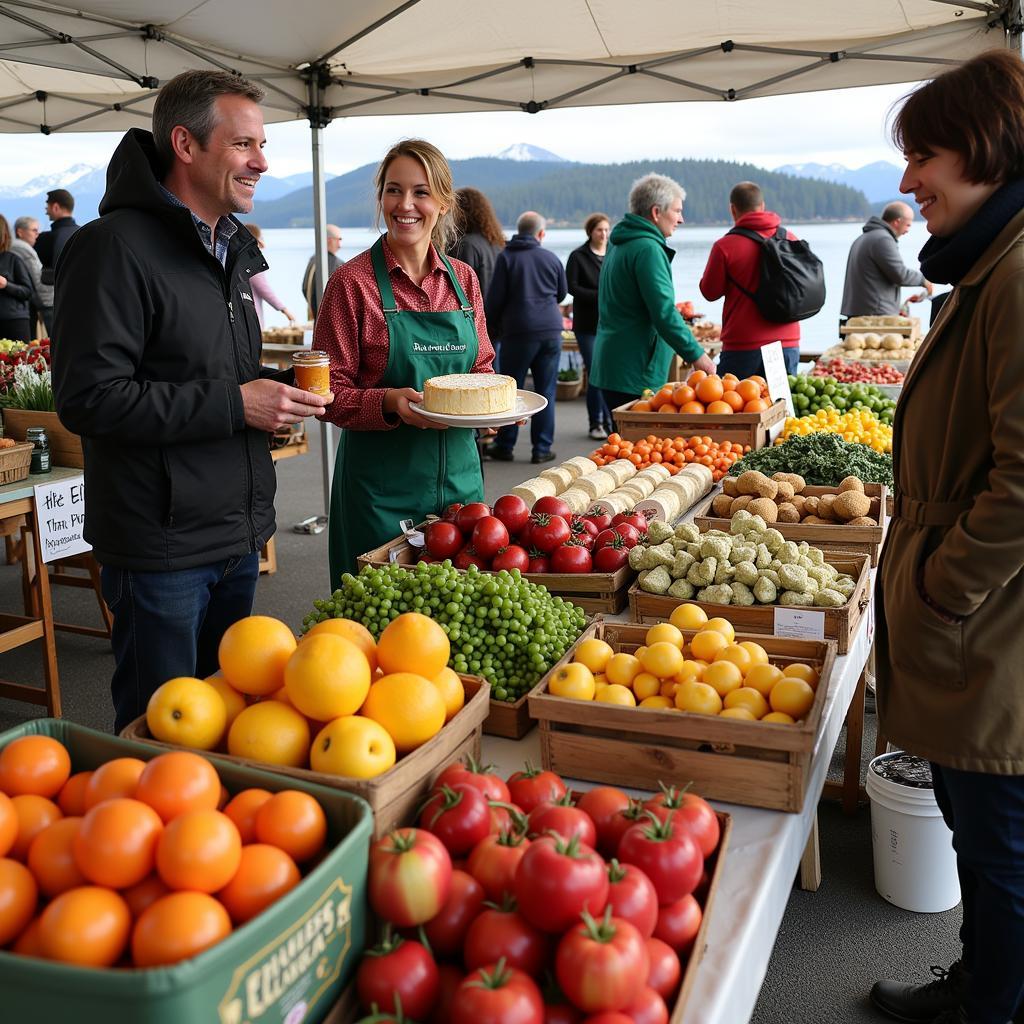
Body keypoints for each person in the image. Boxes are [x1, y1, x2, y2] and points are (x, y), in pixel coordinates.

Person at [52, 69, 331, 734]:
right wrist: (239, 404)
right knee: (163, 741)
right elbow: (89, 399)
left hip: (235, 533)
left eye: (262, 145)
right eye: (243, 145)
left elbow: (203, 370)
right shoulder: (111, 249)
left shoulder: (228, 245)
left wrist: (272, 389)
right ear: (185, 144)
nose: (262, 161)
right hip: (161, 545)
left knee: (232, 726)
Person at [871, 48, 1024, 1024]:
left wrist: (941, 582)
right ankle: (981, 984)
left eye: (921, 153)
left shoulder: (1016, 276)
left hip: (990, 626)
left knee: (1001, 838)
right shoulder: (991, 264)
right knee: (982, 829)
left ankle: (991, 1007)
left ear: (981, 146)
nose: (904, 180)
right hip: (981, 622)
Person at [315, 139, 495, 584]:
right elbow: (325, 394)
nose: (406, 204)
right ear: (381, 198)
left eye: (421, 192)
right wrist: (390, 402)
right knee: (376, 628)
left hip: (460, 487)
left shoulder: (464, 280)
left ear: (444, 202)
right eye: (394, 190)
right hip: (378, 492)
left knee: (458, 623)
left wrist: (492, 411)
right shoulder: (350, 284)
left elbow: (483, 366)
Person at [591, 173, 715, 413]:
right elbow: (664, 312)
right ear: (656, 212)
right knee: (638, 447)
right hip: (634, 368)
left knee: (621, 444)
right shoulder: (648, 249)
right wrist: (698, 355)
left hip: (614, 362)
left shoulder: (621, 242)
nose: (681, 219)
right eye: (677, 211)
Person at [484, 211, 566, 464]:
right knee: (546, 391)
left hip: (518, 332)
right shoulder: (551, 258)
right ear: (541, 234)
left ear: (519, 232)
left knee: (513, 391)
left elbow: (494, 299)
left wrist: (491, 327)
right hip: (551, 330)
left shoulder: (506, 258)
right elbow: (562, 294)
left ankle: (505, 445)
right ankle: (541, 449)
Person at [699, 181, 801, 377]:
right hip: (787, 343)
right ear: (762, 206)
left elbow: (709, 292)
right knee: (781, 407)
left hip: (743, 347)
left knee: (738, 406)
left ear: (733, 209)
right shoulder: (790, 238)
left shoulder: (725, 246)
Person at [841, 201, 933, 320]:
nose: (908, 230)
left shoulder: (864, 237)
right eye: (908, 225)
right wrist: (924, 280)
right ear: (897, 221)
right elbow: (900, 275)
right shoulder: (883, 239)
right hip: (874, 316)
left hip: (861, 312)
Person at [566, 212, 613, 440]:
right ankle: (596, 422)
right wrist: (601, 295)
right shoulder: (578, 256)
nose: (603, 234)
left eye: (606, 230)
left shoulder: (613, 253)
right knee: (595, 372)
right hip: (586, 325)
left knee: (609, 373)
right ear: (590, 232)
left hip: (611, 326)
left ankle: (610, 419)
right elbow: (571, 287)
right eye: (599, 230)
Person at [450, 186, 505, 305]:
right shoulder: (497, 243)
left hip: (474, 316)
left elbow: (459, 288)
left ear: (460, 213)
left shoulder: (466, 245)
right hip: (494, 316)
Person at [35, 188, 79, 334]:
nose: (46, 210)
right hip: (83, 300)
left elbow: (43, 276)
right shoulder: (85, 234)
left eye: (47, 206)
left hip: (55, 302)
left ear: (55, 207)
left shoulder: (45, 239)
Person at [244, 223, 296, 328]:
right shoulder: (252, 260)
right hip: (251, 315)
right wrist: (284, 310)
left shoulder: (238, 258)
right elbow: (263, 289)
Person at [0, 215, 34, 342]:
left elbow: (28, 291)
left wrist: (6, 284)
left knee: (20, 361)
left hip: (13, 323)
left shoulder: (13, 259)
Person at [10, 217, 44, 336]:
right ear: (20, 232)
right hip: (26, 306)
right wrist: (48, 302)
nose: (37, 234)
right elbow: (38, 277)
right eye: (34, 230)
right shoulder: (22, 248)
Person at [301, 225, 343, 318]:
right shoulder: (335, 264)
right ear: (329, 240)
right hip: (331, 318)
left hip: (317, 316)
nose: (340, 245)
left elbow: (304, 288)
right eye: (338, 239)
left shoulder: (313, 260)